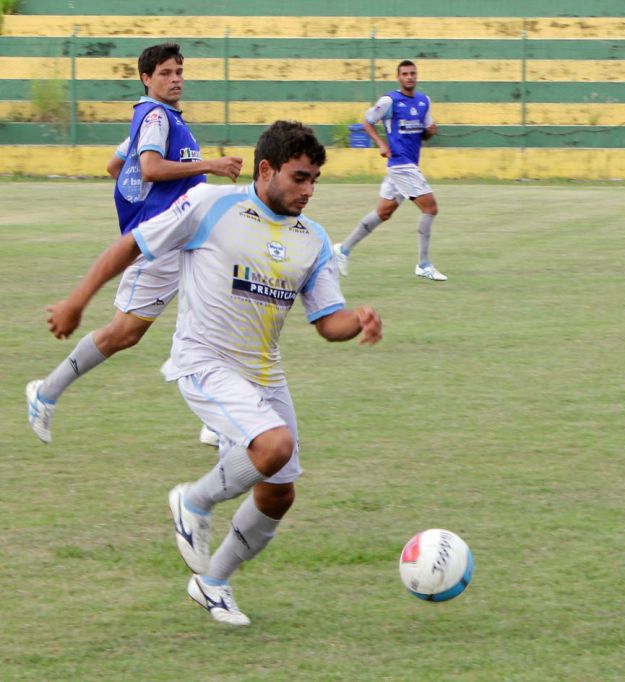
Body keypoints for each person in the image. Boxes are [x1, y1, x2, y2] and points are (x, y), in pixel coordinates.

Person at [44, 120, 383, 626]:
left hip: (264, 374)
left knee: (278, 491)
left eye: (314, 179)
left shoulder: (312, 239)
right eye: (298, 178)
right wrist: (77, 301)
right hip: (204, 361)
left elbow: (325, 322)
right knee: (275, 448)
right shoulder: (211, 206)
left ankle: (213, 581)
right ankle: (193, 500)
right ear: (265, 169)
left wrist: (355, 321)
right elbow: (133, 244)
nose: (308, 190)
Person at [26, 42, 243, 446]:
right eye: (165, 73)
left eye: (179, 71)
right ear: (146, 79)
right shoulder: (157, 117)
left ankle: (220, 421)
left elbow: (118, 165)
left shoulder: (158, 118)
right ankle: (45, 391)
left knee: (220, 313)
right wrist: (209, 165)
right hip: (160, 239)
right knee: (124, 333)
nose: (175, 78)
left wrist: (141, 191)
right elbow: (149, 167)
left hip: (189, 238)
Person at [333, 59, 447, 281]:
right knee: (430, 208)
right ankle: (423, 264)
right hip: (400, 165)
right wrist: (381, 144)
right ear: (398, 77)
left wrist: (430, 132)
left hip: (409, 164)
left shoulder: (424, 102)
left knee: (383, 213)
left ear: (417, 76)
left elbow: (422, 133)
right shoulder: (390, 100)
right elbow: (367, 122)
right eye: (404, 73)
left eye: (412, 73)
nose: (409, 77)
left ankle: (343, 250)